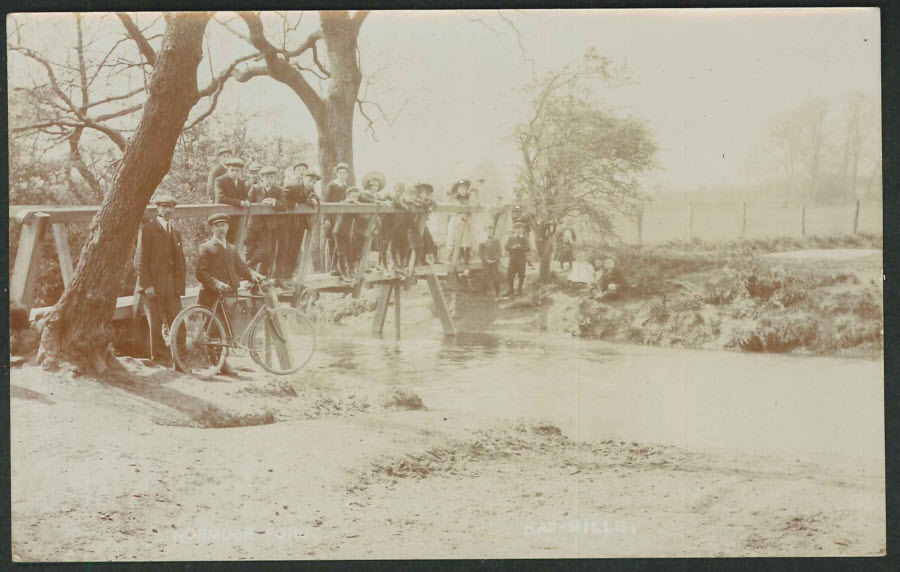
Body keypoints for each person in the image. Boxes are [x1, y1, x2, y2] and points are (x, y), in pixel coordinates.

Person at [196, 213, 265, 376]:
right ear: (212, 228)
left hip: (230, 294)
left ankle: (222, 361)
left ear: (228, 227)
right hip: (212, 294)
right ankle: (217, 364)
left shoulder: (231, 248)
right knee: (213, 331)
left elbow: (242, 268)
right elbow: (201, 273)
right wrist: (217, 283)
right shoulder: (205, 247)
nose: (221, 228)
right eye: (217, 226)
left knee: (226, 329)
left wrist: (254, 275)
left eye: (224, 225)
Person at [134, 193, 186, 366]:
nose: (168, 210)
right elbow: (139, 261)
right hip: (153, 284)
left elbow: (180, 261)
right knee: (155, 326)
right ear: (157, 208)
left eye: (171, 206)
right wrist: (146, 285)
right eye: (164, 206)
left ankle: (180, 363)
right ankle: (161, 362)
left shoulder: (176, 232)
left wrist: (179, 286)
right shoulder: (148, 230)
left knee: (178, 322)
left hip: (171, 284)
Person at [278, 168, 321, 285]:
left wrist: (312, 200)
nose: (311, 183)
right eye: (310, 180)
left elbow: (317, 200)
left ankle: (288, 276)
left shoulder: (310, 189)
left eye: (313, 182)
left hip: (300, 224)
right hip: (287, 223)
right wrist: (293, 204)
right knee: (284, 249)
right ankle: (280, 278)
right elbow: (281, 198)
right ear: (304, 178)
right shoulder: (293, 186)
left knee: (295, 250)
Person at [245, 166, 287, 277]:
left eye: (271, 177)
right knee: (250, 249)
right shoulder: (255, 188)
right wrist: (260, 203)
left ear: (275, 178)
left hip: (269, 226)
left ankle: (250, 269)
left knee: (266, 251)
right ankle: (248, 276)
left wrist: (274, 201)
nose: (269, 179)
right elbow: (247, 203)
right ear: (262, 178)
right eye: (267, 177)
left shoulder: (278, 190)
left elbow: (284, 206)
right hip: (254, 224)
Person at [214, 157, 251, 243]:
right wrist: (240, 202)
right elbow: (221, 198)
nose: (234, 173)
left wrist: (247, 201)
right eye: (232, 170)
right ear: (228, 169)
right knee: (222, 242)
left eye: (237, 171)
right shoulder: (220, 180)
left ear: (241, 171)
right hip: (222, 217)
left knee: (235, 242)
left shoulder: (241, 182)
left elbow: (245, 196)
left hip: (237, 218)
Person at [323, 162, 350, 274]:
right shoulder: (332, 185)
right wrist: (327, 218)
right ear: (337, 174)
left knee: (341, 240)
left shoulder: (346, 187)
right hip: (332, 216)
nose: (343, 175)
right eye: (340, 172)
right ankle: (333, 267)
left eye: (345, 173)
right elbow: (326, 202)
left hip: (342, 217)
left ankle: (342, 266)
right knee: (331, 240)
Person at [332, 186, 361, 282]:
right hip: (339, 231)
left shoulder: (354, 205)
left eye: (356, 197)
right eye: (352, 196)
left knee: (349, 251)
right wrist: (351, 201)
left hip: (347, 232)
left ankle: (350, 270)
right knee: (341, 252)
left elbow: (357, 217)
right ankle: (343, 272)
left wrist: (358, 206)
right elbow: (344, 203)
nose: (354, 199)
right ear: (348, 196)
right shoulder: (343, 202)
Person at [504, 221, 530, 297]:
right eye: (517, 229)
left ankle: (519, 290)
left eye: (520, 229)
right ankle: (511, 290)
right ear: (514, 230)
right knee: (509, 276)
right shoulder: (511, 238)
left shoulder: (524, 239)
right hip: (512, 260)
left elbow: (528, 248)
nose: (518, 230)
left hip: (521, 260)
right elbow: (506, 247)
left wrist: (520, 247)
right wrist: (512, 247)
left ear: (522, 230)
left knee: (521, 275)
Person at [478, 224, 502, 298]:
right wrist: (486, 259)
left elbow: (499, 251)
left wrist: (495, 258)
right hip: (486, 263)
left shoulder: (497, 240)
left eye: (491, 230)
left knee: (496, 277)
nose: (489, 231)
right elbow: (480, 252)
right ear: (485, 231)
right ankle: (484, 294)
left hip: (494, 263)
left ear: (493, 231)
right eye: (488, 230)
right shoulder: (482, 241)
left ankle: (497, 293)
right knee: (484, 277)